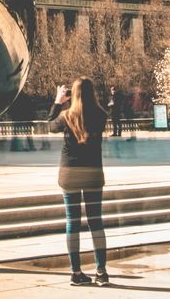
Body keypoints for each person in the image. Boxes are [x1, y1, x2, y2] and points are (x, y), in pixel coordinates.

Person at [49, 78, 109, 287]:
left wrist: (58, 101)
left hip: (70, 174)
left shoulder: (65, 116)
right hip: (92, 172)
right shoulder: (101, 115)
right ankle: (101, 271)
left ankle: (76, 272)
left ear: (72, 94)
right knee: (96, 222)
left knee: (72, 222)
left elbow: (50, 126)